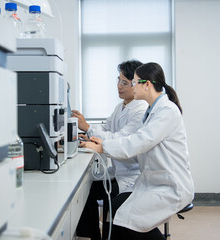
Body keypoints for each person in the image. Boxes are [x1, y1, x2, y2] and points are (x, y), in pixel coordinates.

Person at [81, 62, 194, 240]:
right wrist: (101, 142)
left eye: (133, 82)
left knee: (126, 220)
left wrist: (103, 146)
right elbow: (133, 139)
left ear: (147, 84)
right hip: (152, 182)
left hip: (171, 186)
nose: (130, 87)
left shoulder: (167, 112)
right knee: (123, 216)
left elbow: (139, 141)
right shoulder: (151, 111)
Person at [73, 60, 148, 240]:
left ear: (136, 84)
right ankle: (93, 236)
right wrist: (89, 134)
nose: (119, 86)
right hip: (118, 171)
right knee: (86, 193)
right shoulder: (121, 106)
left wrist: (89, 128)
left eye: (124, 82)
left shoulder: (140, 110)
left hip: (132, 175)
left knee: (111, 200)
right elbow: (106, 128)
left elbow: (122, 140)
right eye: (118, 80)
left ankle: (108, 235)